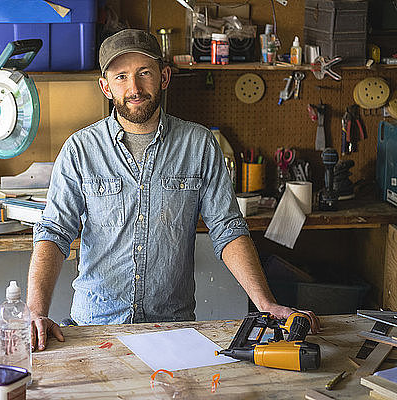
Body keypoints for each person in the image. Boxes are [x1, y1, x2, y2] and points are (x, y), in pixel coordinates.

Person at [27, 29, 320, 351]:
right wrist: (35, 312)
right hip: (97, 325)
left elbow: (227, 228)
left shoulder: (199, 145)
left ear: (164, 77)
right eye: (121, 77)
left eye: (144, 74)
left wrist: (266, 303)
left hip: (172, 326)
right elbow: (54, 232)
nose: (134, 88)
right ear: (105, 87)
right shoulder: (80, 149)